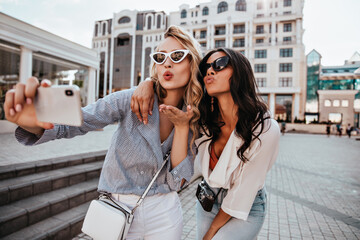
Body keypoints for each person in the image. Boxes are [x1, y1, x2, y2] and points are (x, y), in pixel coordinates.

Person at [4, 25, 203, 240]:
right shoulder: (128, 99)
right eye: (160, 56)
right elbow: (78, 122)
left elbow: (177, 182)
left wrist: (183, 127)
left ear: (192, 62)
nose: (167, 62)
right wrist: (35, 123)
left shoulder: (195, 116)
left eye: (177, 55)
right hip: (116, 209)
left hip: (165, 212)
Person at [132, 48, 280, 240]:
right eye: (206, 68)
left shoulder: (265, 128)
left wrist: (209, 234)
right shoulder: (203, 119)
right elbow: (173, 84)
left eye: (220, 64)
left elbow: (243, 192)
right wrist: (148, 83)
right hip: (208, 199)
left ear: (240, 71)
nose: (210, 71)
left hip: (246, 206)